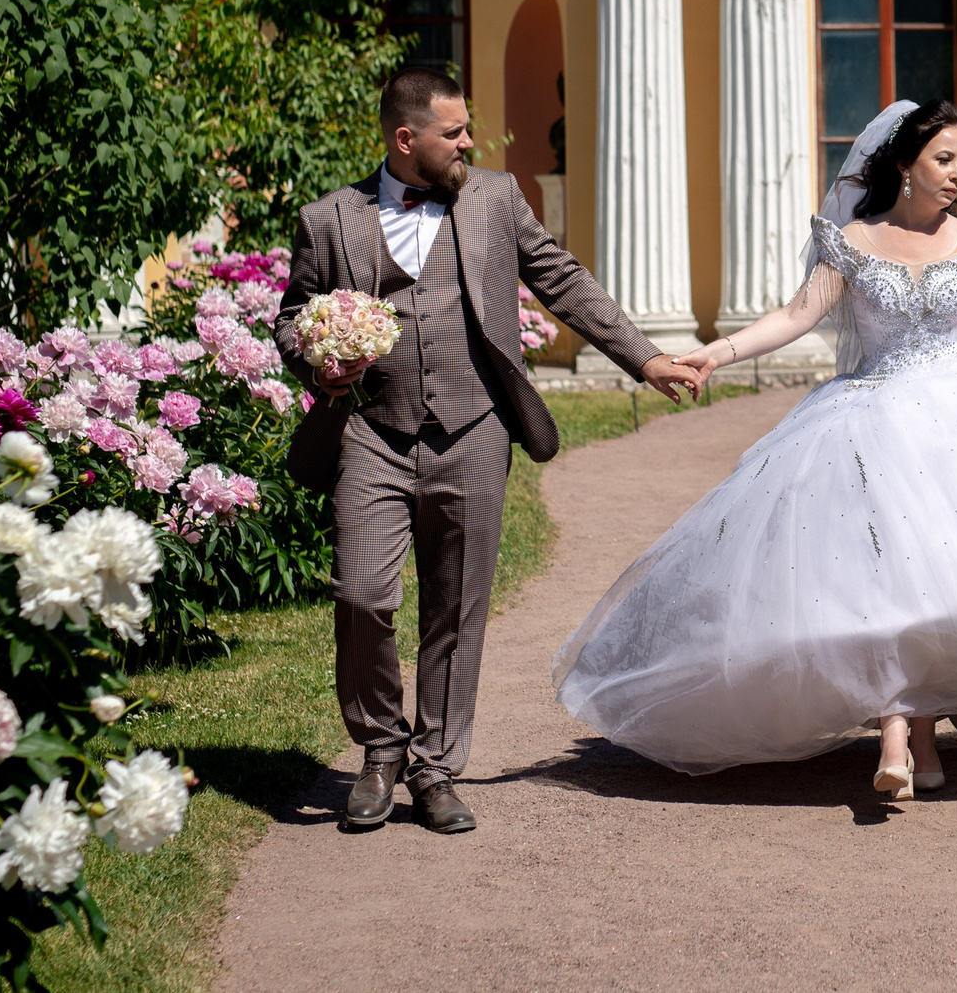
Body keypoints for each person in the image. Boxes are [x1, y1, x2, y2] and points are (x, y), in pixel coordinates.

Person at [552, 100, 957, 797]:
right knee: (878, 572)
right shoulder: (852, 240)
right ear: (902, 165)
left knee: (948, 582)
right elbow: (797, 315)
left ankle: (912, 730)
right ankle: (901, 727)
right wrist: (716, 352)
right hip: (866, 414)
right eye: (944, 159)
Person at [275, 66, 700, 834]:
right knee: (362, 594)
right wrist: (318, 362)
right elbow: (292, 317)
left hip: (473, 429)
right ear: (406, 139)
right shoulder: (329, 218)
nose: (469, 140)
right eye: (453, 131)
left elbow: (562, 280)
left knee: (457, 604)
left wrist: (644, 356)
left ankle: (434, 768)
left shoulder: (495, 198)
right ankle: (379, 750)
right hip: (371, 429)